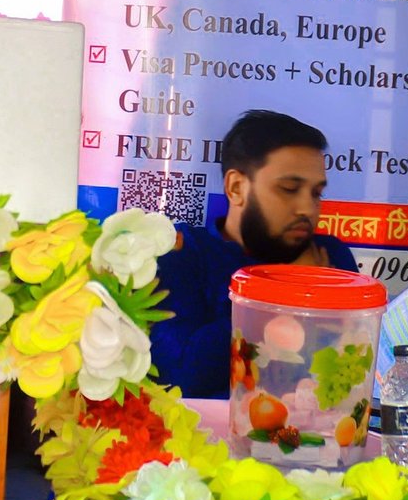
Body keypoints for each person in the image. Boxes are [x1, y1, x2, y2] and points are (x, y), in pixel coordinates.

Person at [151, 110, 357, 398]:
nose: (307, 208)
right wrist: (286, 292)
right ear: (236, 188)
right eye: (289, 189)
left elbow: (351, 376)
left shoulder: (330, 258)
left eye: (316, 193)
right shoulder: (183, 253)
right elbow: (180, 379)